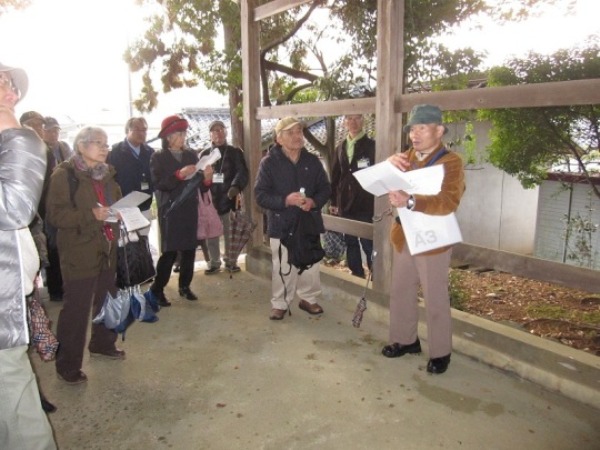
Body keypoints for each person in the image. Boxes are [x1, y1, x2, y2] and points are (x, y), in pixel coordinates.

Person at [383, 104, 465, 375]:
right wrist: (388, 168)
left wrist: (410, 200)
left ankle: (441, 352)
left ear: (439, 130)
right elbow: (388, 184)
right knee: (401, 290)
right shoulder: (405, 157)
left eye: (422, 128)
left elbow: (448, 201)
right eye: (412, 129)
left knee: (435, 296)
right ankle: (405, 340)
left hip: (434, 239)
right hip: (404, 234)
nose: (414, 135)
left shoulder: (451, 162)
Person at [0, 61, 57, 449]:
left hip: (10, 294)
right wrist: (17, 134)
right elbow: (16, 207)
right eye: (2, 85)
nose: (12, 94)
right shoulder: (20, 141)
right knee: (19, 415)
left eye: (12, 87)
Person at [46, 126, 124, 385]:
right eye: (97, 143)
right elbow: (56, 216)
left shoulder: (107, 175)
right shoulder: (64, 175)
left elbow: (115, 204)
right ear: (80, 146)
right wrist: (91, 215)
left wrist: (120, 213)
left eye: (106, 143)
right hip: (79, 249)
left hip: (108, 247)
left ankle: (103, 344)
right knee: (76, 310)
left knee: (107, 300)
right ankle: (67, 366)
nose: (104, 148)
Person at [255, 117, 331, 320]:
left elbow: (325, 188)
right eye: (291, 133)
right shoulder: (269, 163)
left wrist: (313, 202)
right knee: (282, 266)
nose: (297, 136)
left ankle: (308, 298)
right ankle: (280, 302)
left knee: (311, 264)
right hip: (282, 223)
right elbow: (260, 195)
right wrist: (285, 200)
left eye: (299, 131)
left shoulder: (312, 161)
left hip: (308, 222)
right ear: (279, 139)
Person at [149, 115, 213, 304]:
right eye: (179, 133)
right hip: (169, 209)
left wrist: (207, 178)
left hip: (189, 208)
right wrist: (178, 174)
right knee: (169, 252)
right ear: (168, 136)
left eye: (184, 132)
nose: (183, 136)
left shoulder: (191, 155)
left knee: (189, 250)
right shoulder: (158, 157)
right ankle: (157, 289)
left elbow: (201, 186)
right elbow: (159, 183)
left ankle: (184, 286)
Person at [198, 120, 249, 274]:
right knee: (211, 232)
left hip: (229, 197)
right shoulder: (204, 154)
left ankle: (231, 261)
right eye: (214, 131)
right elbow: (198, 175)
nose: (218, 133)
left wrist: (235, 186)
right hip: (210, 199)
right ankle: (214, 262)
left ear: (226, 132)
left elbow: (242, 171)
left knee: (230, 232)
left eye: (221, 130)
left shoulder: (235, 152)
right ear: (210, 135)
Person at [330, 114, 375, 278]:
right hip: (345, 202)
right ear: (344, 123)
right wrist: (334, 201)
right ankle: (357, 273)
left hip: (365, 201)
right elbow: (335, 176)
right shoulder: (340, 147)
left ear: (363, 121)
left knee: (368, 241)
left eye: (357, 118)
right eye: (349, 118)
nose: (353, 122)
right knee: (350, 241)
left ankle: (376, 276)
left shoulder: (372, 146)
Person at [43, 116, 73, 302]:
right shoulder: (39, 149)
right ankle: (55, 289)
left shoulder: (63, 147)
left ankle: (65, 283)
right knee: (51, 245)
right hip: (45, 203)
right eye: (50, 130)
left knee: (63, 245)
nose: (54, 134)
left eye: (56, 130)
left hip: (64, 201)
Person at [107, 116, 155, 234]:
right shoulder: (115, 152)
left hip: (144, 205)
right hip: (123, 207)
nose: (141, 133)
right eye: (137, 129)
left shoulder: (150, 152)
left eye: (144, 130)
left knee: (143, 242)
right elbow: (109, 180)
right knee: (126, 245)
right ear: (127, 131)